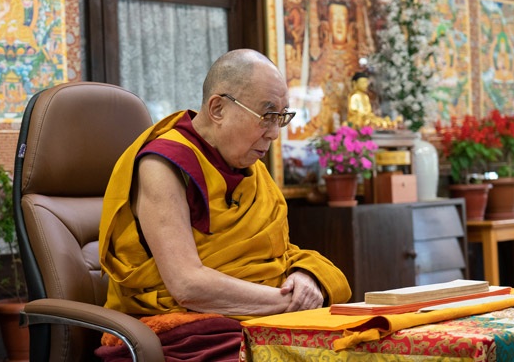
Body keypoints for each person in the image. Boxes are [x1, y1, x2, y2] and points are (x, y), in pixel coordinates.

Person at [97, 49, 351, 361]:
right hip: (185, 332)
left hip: (254, 315)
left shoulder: (248, 166)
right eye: (267, 115)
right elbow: (187, 284)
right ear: (218, 108)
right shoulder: (164, 165)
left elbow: (274, 253)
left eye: (282, 117)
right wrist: (286, 302)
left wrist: (305, 276)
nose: (274, 133)